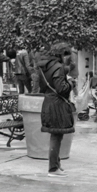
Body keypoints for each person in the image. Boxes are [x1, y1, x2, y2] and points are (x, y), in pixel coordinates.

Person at [38, 42, 75, 178]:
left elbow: (42, 86)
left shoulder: (44, 67)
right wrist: (71, 83)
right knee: (56, 136)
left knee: (56, 135)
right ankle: (53, 168)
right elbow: (61, 89)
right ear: (61, 54)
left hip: (48, 102)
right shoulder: (58, 68)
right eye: (66, 55)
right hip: (57, 105)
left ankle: (56, 165)